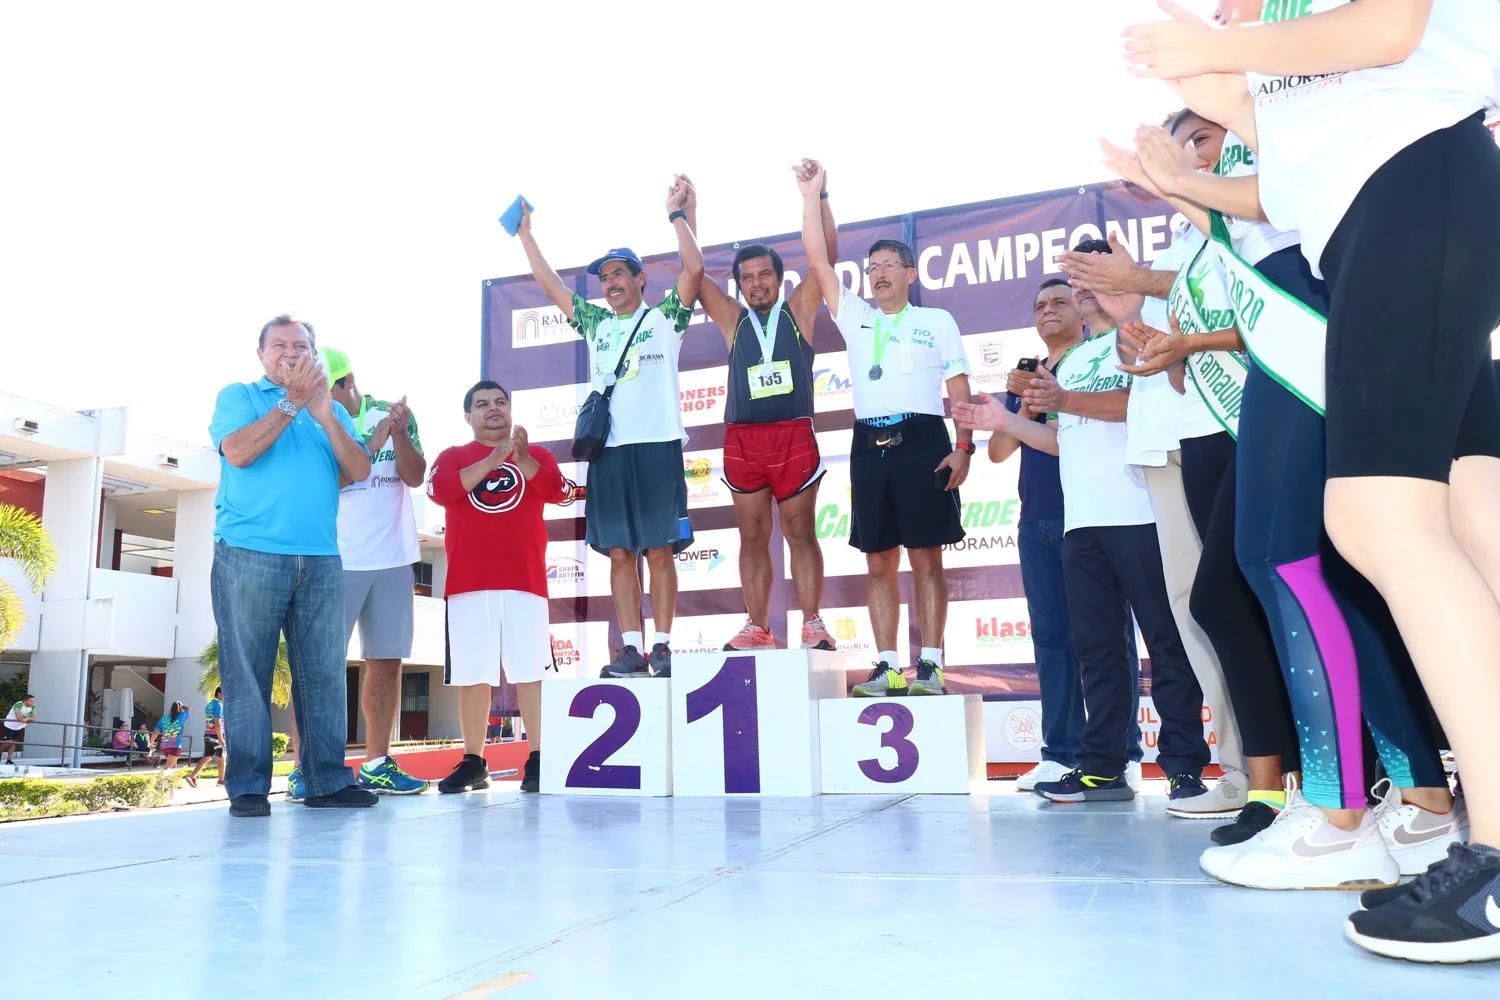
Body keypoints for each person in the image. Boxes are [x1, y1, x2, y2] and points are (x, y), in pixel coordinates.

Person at [1126, 0, 1500, 962]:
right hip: (1386, 209)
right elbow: (1289, 156)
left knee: (1379, 520)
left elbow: (1389, 28)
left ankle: (1492, 854)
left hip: (1416, 183)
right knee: (1475, 523)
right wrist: (1184, 156)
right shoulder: (1292, 64)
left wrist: (1217, 49)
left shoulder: (1318, 36)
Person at [956, 240, 1211, 805]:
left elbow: (1132, 406)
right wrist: (1004, 421)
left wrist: (1065, 399)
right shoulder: (1069, 363)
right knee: (1096, 653)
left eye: (1089, 282)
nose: (1081, 292)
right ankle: (1103, 766)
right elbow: (1059, 442)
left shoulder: (1134, 334)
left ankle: (1184, 767)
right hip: (1082, 527)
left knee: (1166, 645)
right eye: (1077, 283)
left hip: (1140, 515)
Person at [795, 162, 973, 697]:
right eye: (872, 267)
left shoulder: (936, 322)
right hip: (869, 443)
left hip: (924, 440)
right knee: (878, 561)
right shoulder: (856, 316)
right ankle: (887, 665)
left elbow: (960, 390)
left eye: (890, 265)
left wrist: (964, 448)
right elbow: (818, 260)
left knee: (927, 557)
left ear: (911, 274)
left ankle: (932, 666)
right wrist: (812, 195)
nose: (879, 273)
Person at [516, 182, 704, 679]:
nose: (610, 282)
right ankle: (631, 650)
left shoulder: (665, 318)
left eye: (619, 273)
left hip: (658, 447)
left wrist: (679, 216)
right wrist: (526, 235)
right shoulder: (596, 323)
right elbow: (551, 286)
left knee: (660, 550)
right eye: (603, 277)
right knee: (620, 553)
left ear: (641, 278)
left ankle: (662, 646)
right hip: (609, 453)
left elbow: (693, 270)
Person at [209, 314, 379, 817]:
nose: (290, 352)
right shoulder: (240, 396)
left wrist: (324, 413)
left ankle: (326, 781)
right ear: (261, 354)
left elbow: (359, 469)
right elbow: (238, 452)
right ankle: (247, 787)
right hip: (249, 553)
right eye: (279, 345)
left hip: (321, 558)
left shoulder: (332, 408)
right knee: (248, 673)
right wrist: (291, 402)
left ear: (313, 354)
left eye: (301, 346)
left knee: (324, 674)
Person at [986, 279, 1144, 792]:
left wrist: (1054, 400)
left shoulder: (1096, 360)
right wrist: (1023, 405)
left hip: (1091, 515)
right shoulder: (1027, 375)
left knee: (1108, 639)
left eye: (1059, 301)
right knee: (1052, 640)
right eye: (1040, 305)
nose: (1048, 310)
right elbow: (998, 452)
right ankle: (1059, 753)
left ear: (1081, 310)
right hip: (1036, 519)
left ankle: (1123, 752)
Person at [686, 164, 838, 653]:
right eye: (747, 278)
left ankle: (812, 623)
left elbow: (827, 256)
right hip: (744, 440)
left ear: (779, 278)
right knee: (751, 536)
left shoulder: (799, 311)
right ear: (739, 285)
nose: (756, 284)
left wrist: (818, 196)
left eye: (764, 275)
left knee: (800, 531)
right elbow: (695, 275)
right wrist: (687, 214)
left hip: (793, 435)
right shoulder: (733, 319)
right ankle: (757, 626)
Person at [425, 381, 576, 794]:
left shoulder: (536, 455)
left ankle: (539, 758)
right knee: (472, 675)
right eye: (482, 404)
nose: (493, 409)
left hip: (525, 582)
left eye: (500, 402)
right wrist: (494, 458)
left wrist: (520, 459)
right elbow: (441, 490)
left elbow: (560, 492)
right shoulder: (452, 456)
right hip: (468, 584)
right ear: (468, 416)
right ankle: (474, 761)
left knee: (531, 673)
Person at [320, 346, 431, 795]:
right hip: (334, 559)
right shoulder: (313, 422)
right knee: (320, 665)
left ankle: (378, 764)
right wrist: (371, 443)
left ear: (348, 381)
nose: (316, 399)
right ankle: (311, 767)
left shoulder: (390, 412)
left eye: (324, 390)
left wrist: (398, 435)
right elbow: (328, 482)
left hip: (392, 558)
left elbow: (416, 476)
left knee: (385, 663)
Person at [187, 688, 225, 788]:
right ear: (219, 693)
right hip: (216, 736)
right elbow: (217, 721)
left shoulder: (209, 704)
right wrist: (221, 738)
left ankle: (192, 776)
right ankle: (221, 781)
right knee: (221, 757)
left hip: (208, 735)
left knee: (208, 756)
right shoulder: (218, 704)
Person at [153, 701, 189, 769]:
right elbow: (188, 709)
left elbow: (156, 731)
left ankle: (175, 776)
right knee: (168, 767)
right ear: (180, 709)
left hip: (164, 746)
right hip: (175, 745)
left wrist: (151, 741)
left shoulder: (163, 719)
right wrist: (182, 706)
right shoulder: (181, 716)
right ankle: (161, 776)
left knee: (174, 765)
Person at [2, 694, 34, 765]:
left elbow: (33, 718)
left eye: (33, 701)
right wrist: (27, 719)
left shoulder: (32, 707)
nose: (32, 702)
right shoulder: (18, 705)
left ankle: (9, 760)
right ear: (25, 701)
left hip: (19, 727)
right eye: (31, 701)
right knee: (7, 742)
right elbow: (19, 717)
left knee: (13, 743)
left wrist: (26, 719)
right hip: (10, 726)